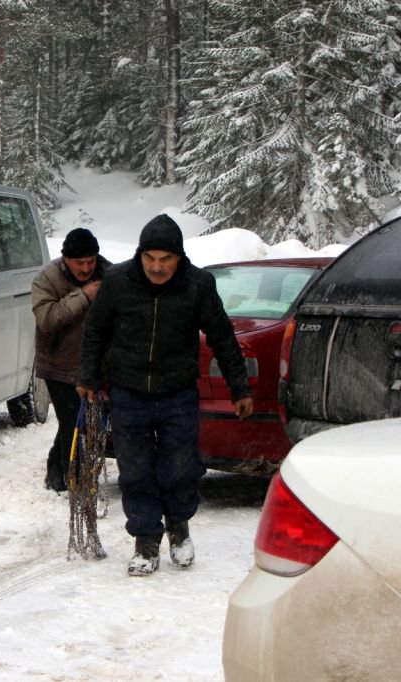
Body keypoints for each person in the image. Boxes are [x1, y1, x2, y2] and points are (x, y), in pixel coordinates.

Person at [77, 214, 253, 576]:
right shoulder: (117, 282)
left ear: (179, 258)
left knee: (179, 467)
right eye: (150, 258)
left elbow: (222, 336)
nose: (157, 267)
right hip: (129, 393)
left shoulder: (198, 285)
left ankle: (178, 526)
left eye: (166, 259)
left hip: (177, 393)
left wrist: (239, 388)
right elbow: (95, 332)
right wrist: (89, 377)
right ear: (140, 255)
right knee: (136, 471)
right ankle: (145, 540)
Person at [32, 227, 111, 493]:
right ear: (66, 259)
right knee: (71, 422)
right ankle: (75, 480)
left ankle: (57, 471)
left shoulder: (108, 274)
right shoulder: (47, 279)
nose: (87, 268)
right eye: (80, 263)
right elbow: (47, 319)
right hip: (58, 364)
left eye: (91, 261)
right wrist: (85, 295)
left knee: (86, 421)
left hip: (94, 367)